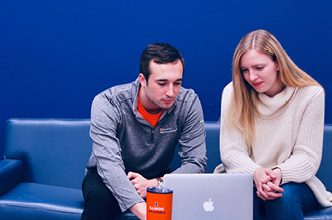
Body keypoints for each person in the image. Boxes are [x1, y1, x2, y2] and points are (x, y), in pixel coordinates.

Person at [214, 29, 332, 219]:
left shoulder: (311, 94)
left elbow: (307, 157)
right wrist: (257, 173)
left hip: (294, 183)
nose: (252, 77)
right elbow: (231, 152)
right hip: (246, 178)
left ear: (278, 63)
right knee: (241, 196)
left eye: (259, 68)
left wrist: (278, 174)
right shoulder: (233, 92)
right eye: (245, 70)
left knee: (280, 197)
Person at [81, 43, 207, 220]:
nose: (171, 92)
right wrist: (145, 212)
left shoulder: (188, 102)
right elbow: (109, 163)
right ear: (142, 79)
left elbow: (196, 162)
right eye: (162, 83)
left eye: (177, 83)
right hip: (107, 176)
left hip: (159, 177)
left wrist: (155, 184)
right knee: (101, 199)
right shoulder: (108, 102)